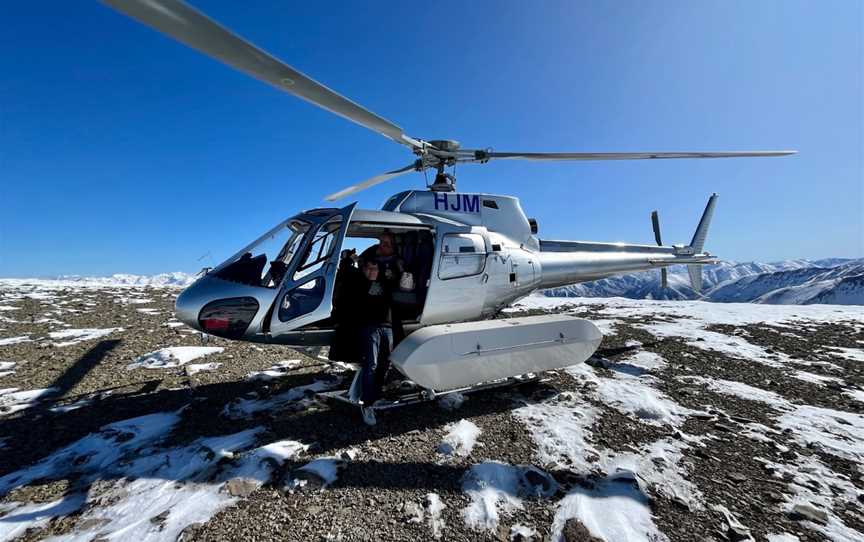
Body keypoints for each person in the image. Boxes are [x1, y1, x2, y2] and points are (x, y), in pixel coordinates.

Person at [333, 258, 394, 426]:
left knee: (385, 364)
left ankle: (377, 396)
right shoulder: (357, 285)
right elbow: (346, 302)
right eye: (368, 268)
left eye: (374, 268)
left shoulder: (385, 283)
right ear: (363, 269)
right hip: (369, 328)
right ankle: (367, 404)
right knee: (371, 365)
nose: (371, 271)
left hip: (387, 327)